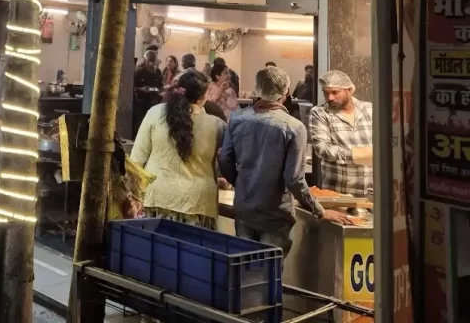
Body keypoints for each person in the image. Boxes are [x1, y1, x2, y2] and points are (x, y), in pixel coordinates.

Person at [219, 66, 349, 259]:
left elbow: (225, 158)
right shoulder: (294, 128)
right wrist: (319, 210)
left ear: (257, 89)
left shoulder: (238, 118)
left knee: (244, 268)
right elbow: (294, 179)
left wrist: (241, 184)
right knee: (269, 272)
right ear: (286, 92)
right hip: (275, 215)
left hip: (245, 209)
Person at [130, 70, 225, 228]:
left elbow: (136, 161)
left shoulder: (154, 114)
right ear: (205, 95)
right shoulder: (216, 125)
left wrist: (133, 196)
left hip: (157, 198)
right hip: (198, 204)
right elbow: (228, 160)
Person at [308, 70, 373, 196]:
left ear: (349, 90)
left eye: (335, 92)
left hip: (372, 192)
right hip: (339, 193)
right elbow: (322, 148)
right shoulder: (320, 113)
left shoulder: (370, 110)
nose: (330, 98)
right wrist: (356, 154)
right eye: (326, 93)